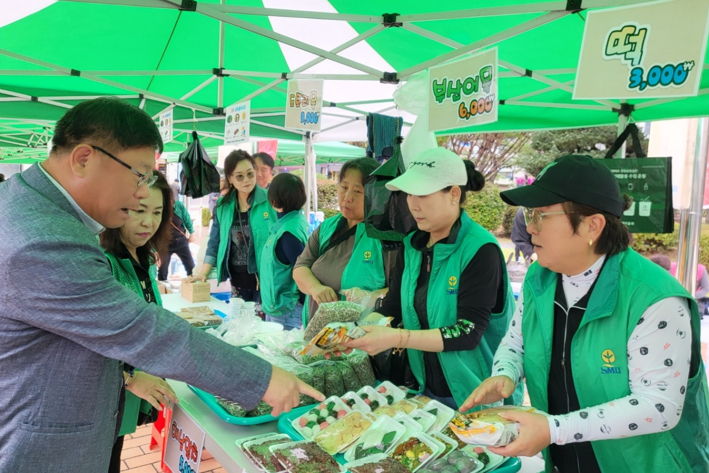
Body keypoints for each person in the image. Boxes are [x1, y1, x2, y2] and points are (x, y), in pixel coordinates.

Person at [0, 98, 322, 472]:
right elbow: (141, 330)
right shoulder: (43, 239)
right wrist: (263, 379)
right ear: (84, 159)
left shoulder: (29, 204)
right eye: (138, 175)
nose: (141, 193)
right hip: (44, 450)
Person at [462, 155, 709, 473]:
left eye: (540, 216)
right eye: (528, 215)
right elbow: (517, 341)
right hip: (564, 462)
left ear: (592, 225)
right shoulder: (541, 278)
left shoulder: (654, 298)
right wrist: (505, 372)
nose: (529, 229)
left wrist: (554, 429)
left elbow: (658, 406)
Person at [343, 148, 521, 411]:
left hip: (476, 395)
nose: (413, 204)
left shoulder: (481, 250)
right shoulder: (412, 245)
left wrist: (396, 338)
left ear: (454, 194)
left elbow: (467, 332)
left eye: (423, 194)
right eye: (410, 194)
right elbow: (392, 306)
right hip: (424, 389)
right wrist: (354, 333)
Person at [100, 170, 179, 473]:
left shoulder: (144, 258)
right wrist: (131, 379)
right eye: (139, 211)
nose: (149, 222)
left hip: (123, 401)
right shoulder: (103, 262)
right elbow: (85, 344)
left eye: (157, 212)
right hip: (101, 399)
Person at [293, 157, 389, 325]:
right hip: (317, 333)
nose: (347, 197)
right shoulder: (327, 228)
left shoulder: (385, 236)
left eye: (358, 191)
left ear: (374, 195)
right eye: (344, 187)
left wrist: (370, 297)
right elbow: (301, 267)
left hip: (361, 338)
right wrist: (316, 288)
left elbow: (401, 289)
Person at [191, 150, 276, 303]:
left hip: (267, 280)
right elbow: (214, 242)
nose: (246, 180)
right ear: (230, 178)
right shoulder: (223, 206)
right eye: (239, 176)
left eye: (250, 174)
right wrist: (203, 272)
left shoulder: (270, 201)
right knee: (241, 324)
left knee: (263, 326)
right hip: (237, 281)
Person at [260, 173, 309, 330]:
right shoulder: (294, 221)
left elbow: (303, 271)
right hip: (280, 305)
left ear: (274, 200)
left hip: (286, 310)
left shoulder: (288, 233)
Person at [158, 197, 196, 281]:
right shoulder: (159, 209)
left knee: (191, 267)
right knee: (162, 271)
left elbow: (187, 219)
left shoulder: (179, 205)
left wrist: (192, 233)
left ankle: (194, 288)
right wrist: (154, 249)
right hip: (165, 244)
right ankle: (163, 291)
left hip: (181, 241)